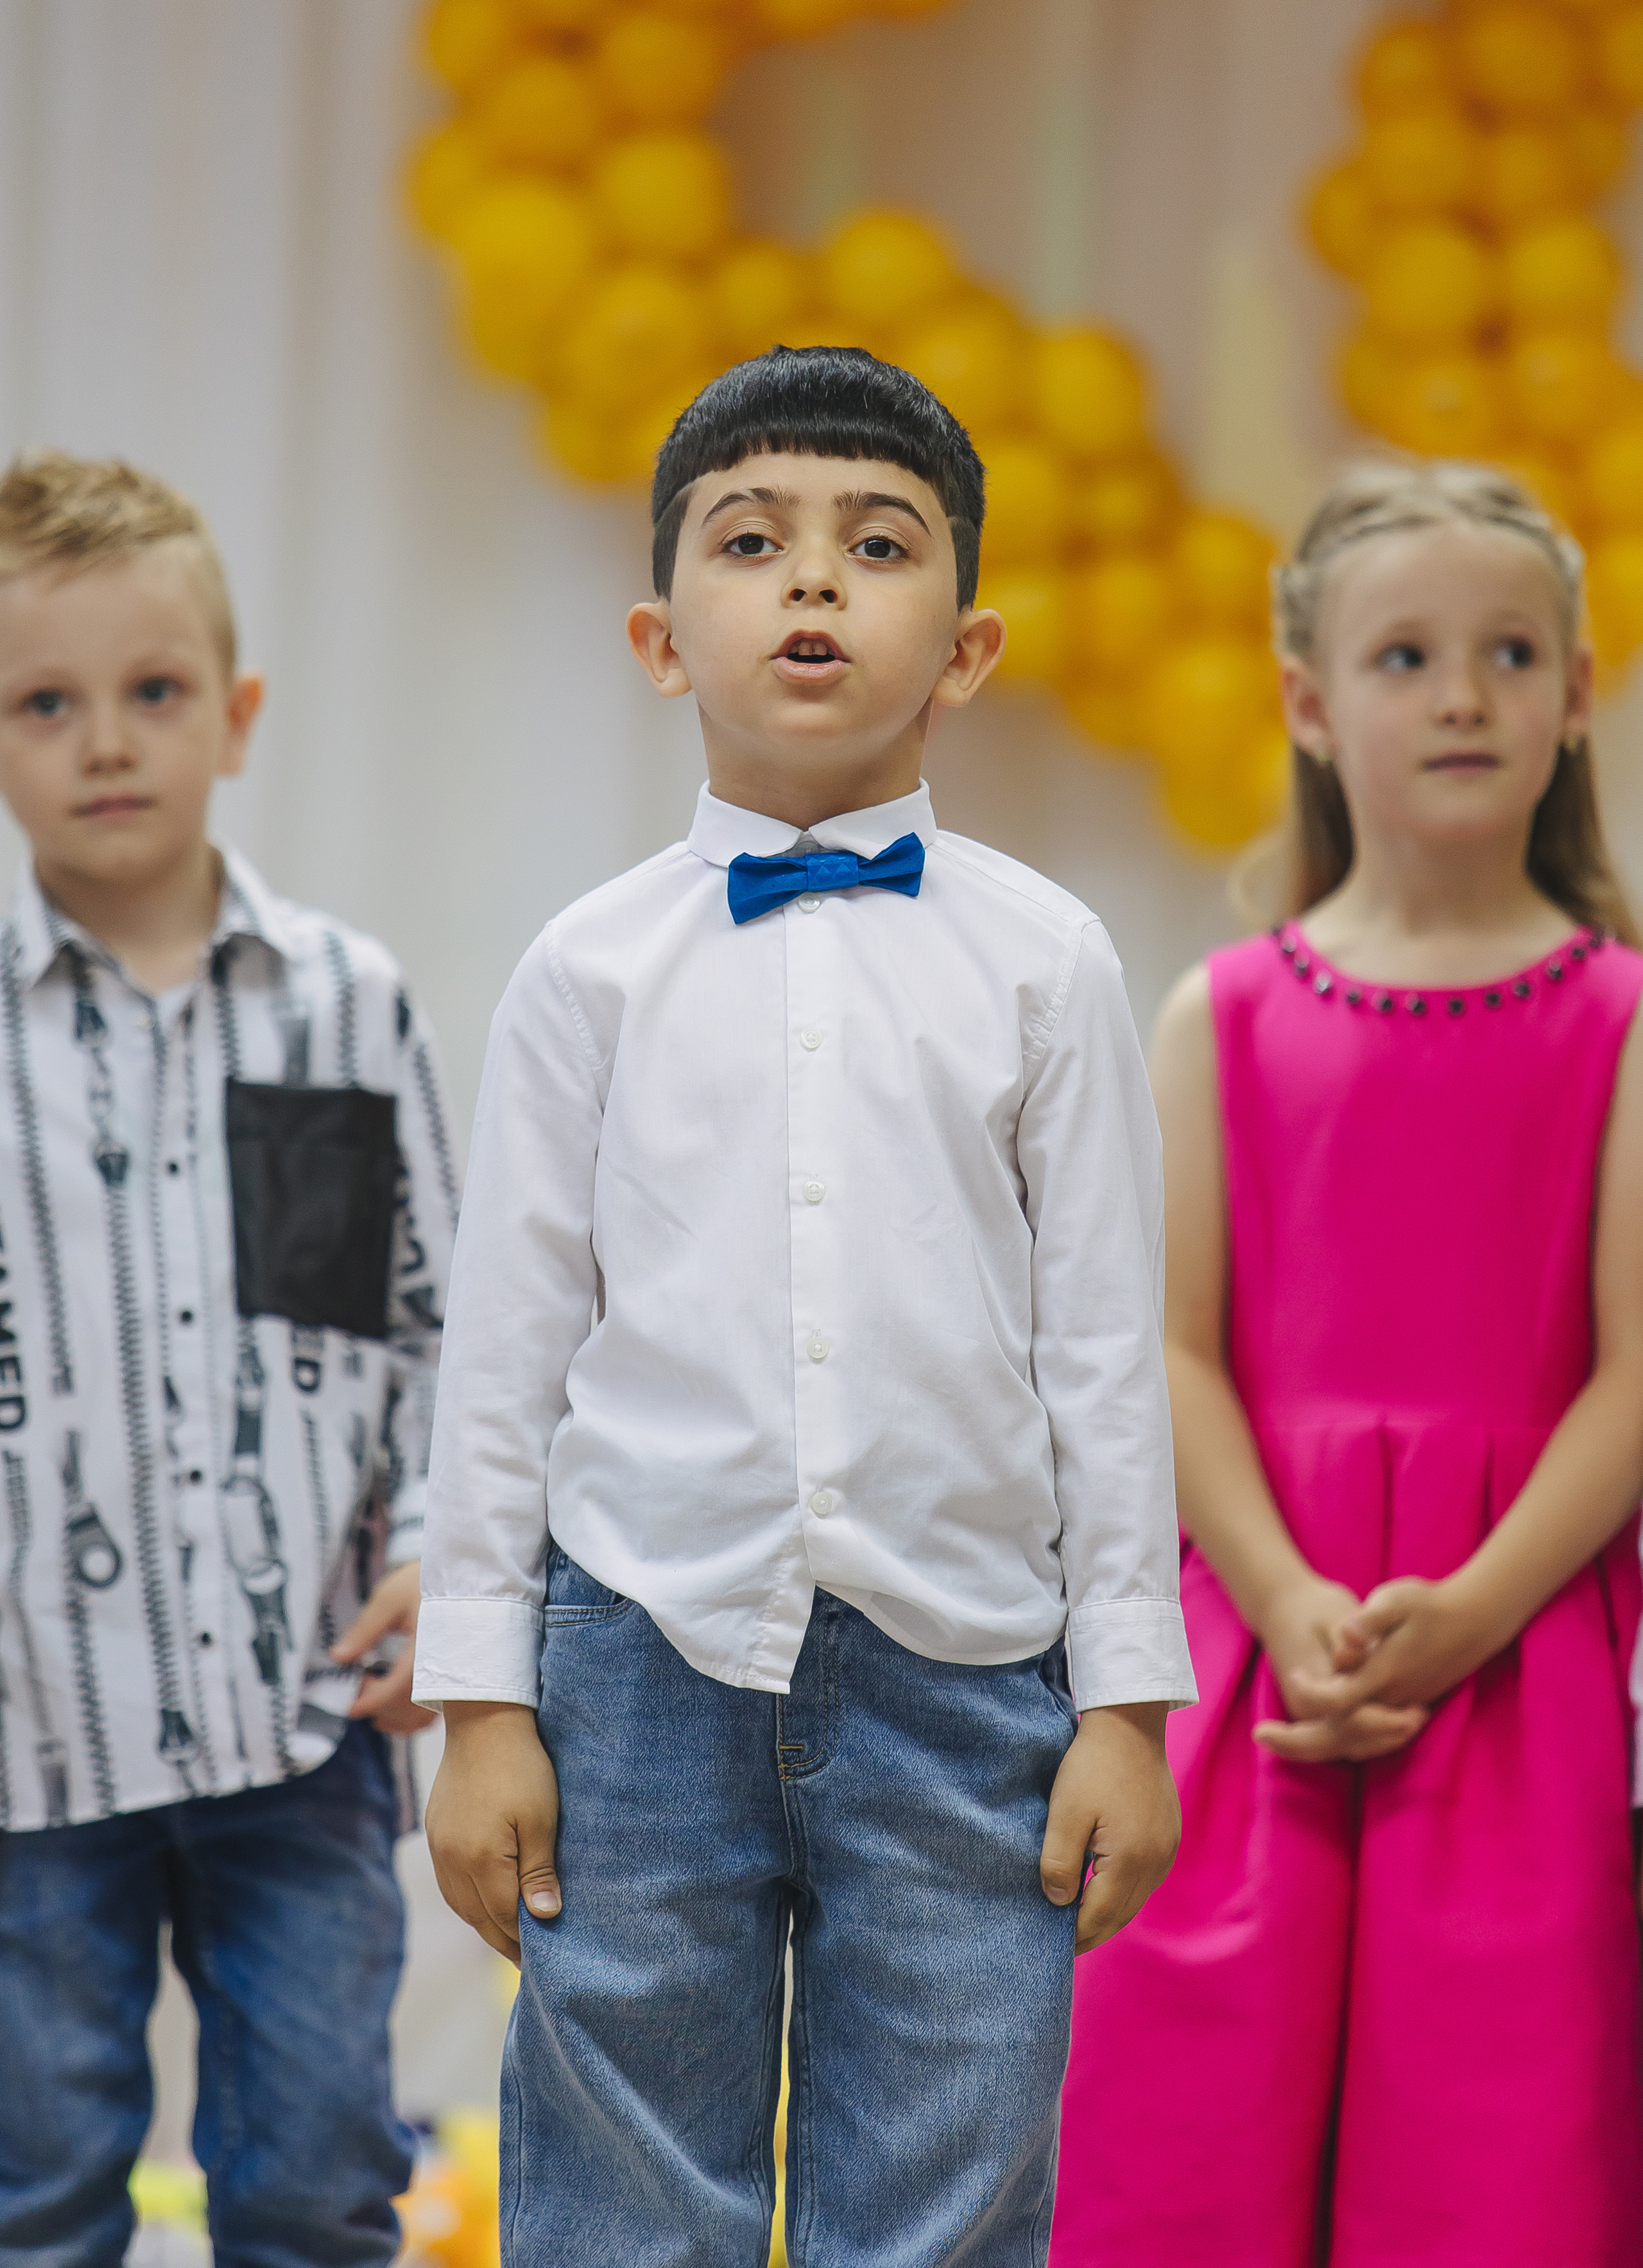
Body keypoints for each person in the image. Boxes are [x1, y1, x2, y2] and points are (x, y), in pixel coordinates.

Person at [415, 343, 1196, 2266]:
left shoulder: (1050, 961)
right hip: (635, 1659)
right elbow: (503, 1352)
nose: (817, 582)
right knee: (620, 2189)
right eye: (754, 542)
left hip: (971, 1673)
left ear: (973, 645)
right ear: (663, 637)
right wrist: (481, 1705)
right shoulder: (586, 970)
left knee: (944, 2186)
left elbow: (1105, 1349)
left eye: (880, 543)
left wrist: (1129, 1705)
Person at [1053, 461, 1643, 2266]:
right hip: (1257, 1649)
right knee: (1184, 2141)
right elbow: (1166, 1347)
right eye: (1405, 656)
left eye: (1509, 653)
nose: (1463, 694)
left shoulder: (1623, 1014)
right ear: (1310, 705)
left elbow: (1634, 1382)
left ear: (1571, 698)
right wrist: (1291, 1592)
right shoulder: (1219, 1013)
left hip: (1519, 1657)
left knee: (1498, 2154)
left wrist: (1466, 1611)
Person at [0, 454, 459, 2268]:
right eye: (45, 702)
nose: (106, 740)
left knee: (316, 2180)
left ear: (238, 716)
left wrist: (439, 1552)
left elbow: (437, 1327)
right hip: (30, 1737)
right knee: (36, 2190)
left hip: (306, 1721)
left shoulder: (347, 1002)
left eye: (154, 691)